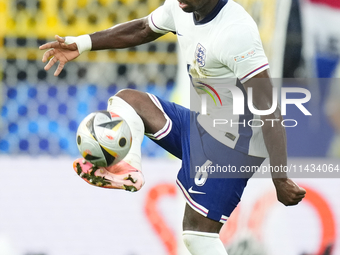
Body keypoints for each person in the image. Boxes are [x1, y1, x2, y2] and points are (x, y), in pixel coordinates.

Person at [39, 0, 306, 254]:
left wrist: (279, 177)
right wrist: (83, 43)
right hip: (203, 124)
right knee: (126, 101)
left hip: (237, 144)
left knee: (197, 237)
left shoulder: (237, 32)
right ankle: (128, 170)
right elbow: (143, 28)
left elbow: (268, 107)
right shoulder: (180, 7)